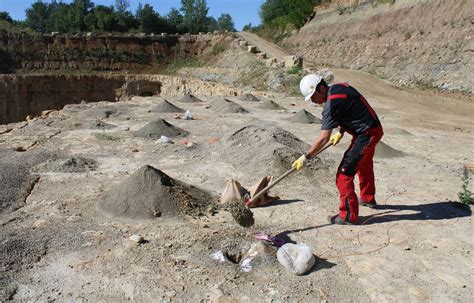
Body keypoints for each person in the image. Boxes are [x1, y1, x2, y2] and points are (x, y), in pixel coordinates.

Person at [292, 74, 383, 225]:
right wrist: (340, 132)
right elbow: (350, 110)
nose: (314, 101)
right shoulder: (338, 89)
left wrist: (306, 157)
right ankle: (368, 198)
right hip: (372, 129)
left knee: (344, 173)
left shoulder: (331, 104)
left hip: (366, 134)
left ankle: (348, 216)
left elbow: (323, 138)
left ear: (321, 88)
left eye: (314, 96)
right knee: (363, 164)